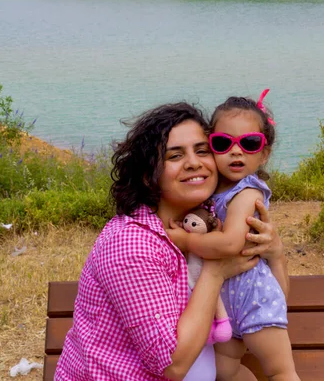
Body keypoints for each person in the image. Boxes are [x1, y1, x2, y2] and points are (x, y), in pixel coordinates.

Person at [54, 102, 285, 381]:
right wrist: (215, 270)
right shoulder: (132, 244)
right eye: (175, 156)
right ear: (148, 174)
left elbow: (273, 304)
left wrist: (276, 255)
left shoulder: (208, 225)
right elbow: (170, 366)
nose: (193, 162)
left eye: (202, 150)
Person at [167, 90, 301, 381]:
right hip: (225, 306)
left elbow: (230, 244)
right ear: (210, 145)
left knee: (280, 371)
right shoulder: (212, 192)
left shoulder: (247, 192)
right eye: (223, 143)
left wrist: (186, 240)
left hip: (255, 302)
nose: (236, 151)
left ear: (264, 153)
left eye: (250, 143)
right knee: (226, 373)